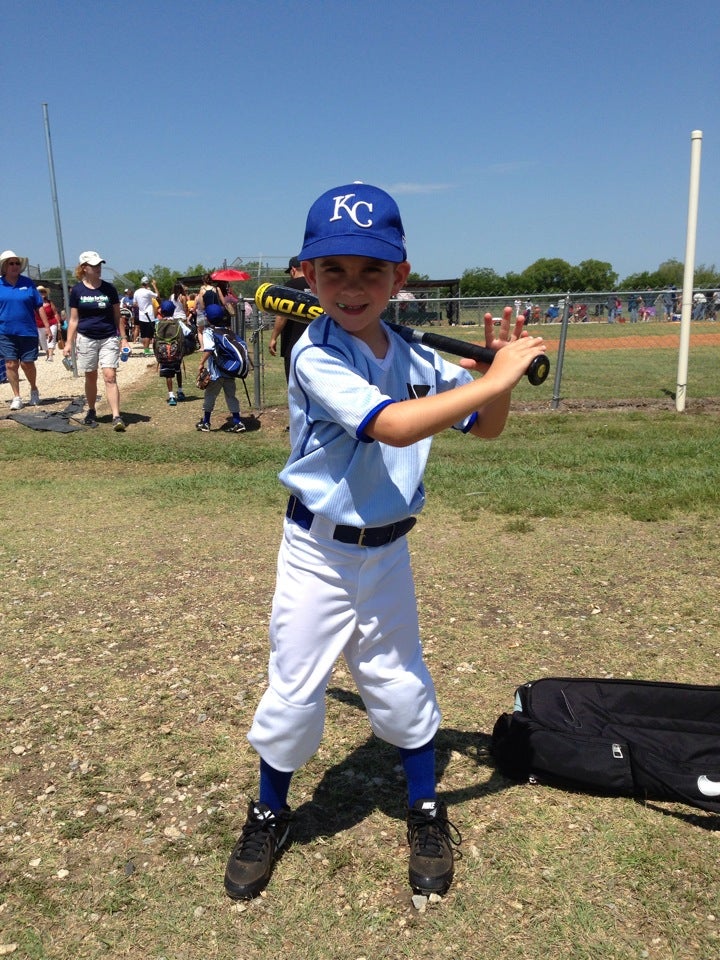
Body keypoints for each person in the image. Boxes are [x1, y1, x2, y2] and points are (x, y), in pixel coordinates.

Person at [222, 182, 547, 902]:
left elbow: (484, 430)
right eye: (332, 269)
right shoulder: (313, 352)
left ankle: (424, 807)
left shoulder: (410, 351)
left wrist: (496, 386)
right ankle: (269, 812)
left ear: (400, 278)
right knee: (296, 692)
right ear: (306, 278)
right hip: (318, 554)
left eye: (372, 270)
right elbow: (394, 425)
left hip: (389, 549)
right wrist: (487, 376)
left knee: (399, 681)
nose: (351, 285)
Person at [63, 251, 128, 431]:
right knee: (90, 376)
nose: (98, 268)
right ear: (84, 268)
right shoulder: (77, 291)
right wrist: (68, 342)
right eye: (94, 265)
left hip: (108, 337)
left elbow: (117, 315)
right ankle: (91, 410)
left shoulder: (109, 289)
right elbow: (74, 319)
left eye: (99, 265)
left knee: (110, 376)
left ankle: (116, 416)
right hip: (86, 338)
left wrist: (123, 339)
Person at [0, 250, 43, 410]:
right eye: (11, 263)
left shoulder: (28, 283)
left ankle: (33, 388)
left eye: (17, 263)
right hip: (5, 331)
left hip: (27, 330)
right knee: (11, 364)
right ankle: (16, 396)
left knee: (27, 364)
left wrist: (47, 327)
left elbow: (39, 306)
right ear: (4, 266)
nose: (15, 266)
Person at [195, 303, 246, 433]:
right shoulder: (227, 331)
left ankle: (206, 422)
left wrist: (201, 363)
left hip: (216, 373)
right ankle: (237, 422)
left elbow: (209, 349)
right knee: (231, 396)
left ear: (208, 318)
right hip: (229, 371)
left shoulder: (209, 331)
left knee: (210, 396)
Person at [268, 256, 311, 383]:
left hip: (294, 344)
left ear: (293, 270)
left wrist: (273, 338)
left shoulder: (288, 287)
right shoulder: (317, 285)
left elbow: (282, 316)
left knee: (295, 385)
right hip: (316, 342)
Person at [156, 299, 185, 405]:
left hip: (163, 353)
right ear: (173, 311)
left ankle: (171, 396)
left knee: (168, 374)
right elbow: (188, 333)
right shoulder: (178, 323)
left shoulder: (157, 324)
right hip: (176, 353)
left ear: (161, 312)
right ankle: (180, 391)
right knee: (178, 371)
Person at [133, 275, 159, 355]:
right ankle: (147, 350)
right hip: (149, 315)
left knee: (143, 334)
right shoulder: (148, 292)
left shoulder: (136, 292)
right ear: (147, 284)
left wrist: (141, 306)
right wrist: (154, 285)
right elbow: (157, 295)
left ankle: (145, 348)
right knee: (148, 334)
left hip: (141, 315)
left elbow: (134, 303)